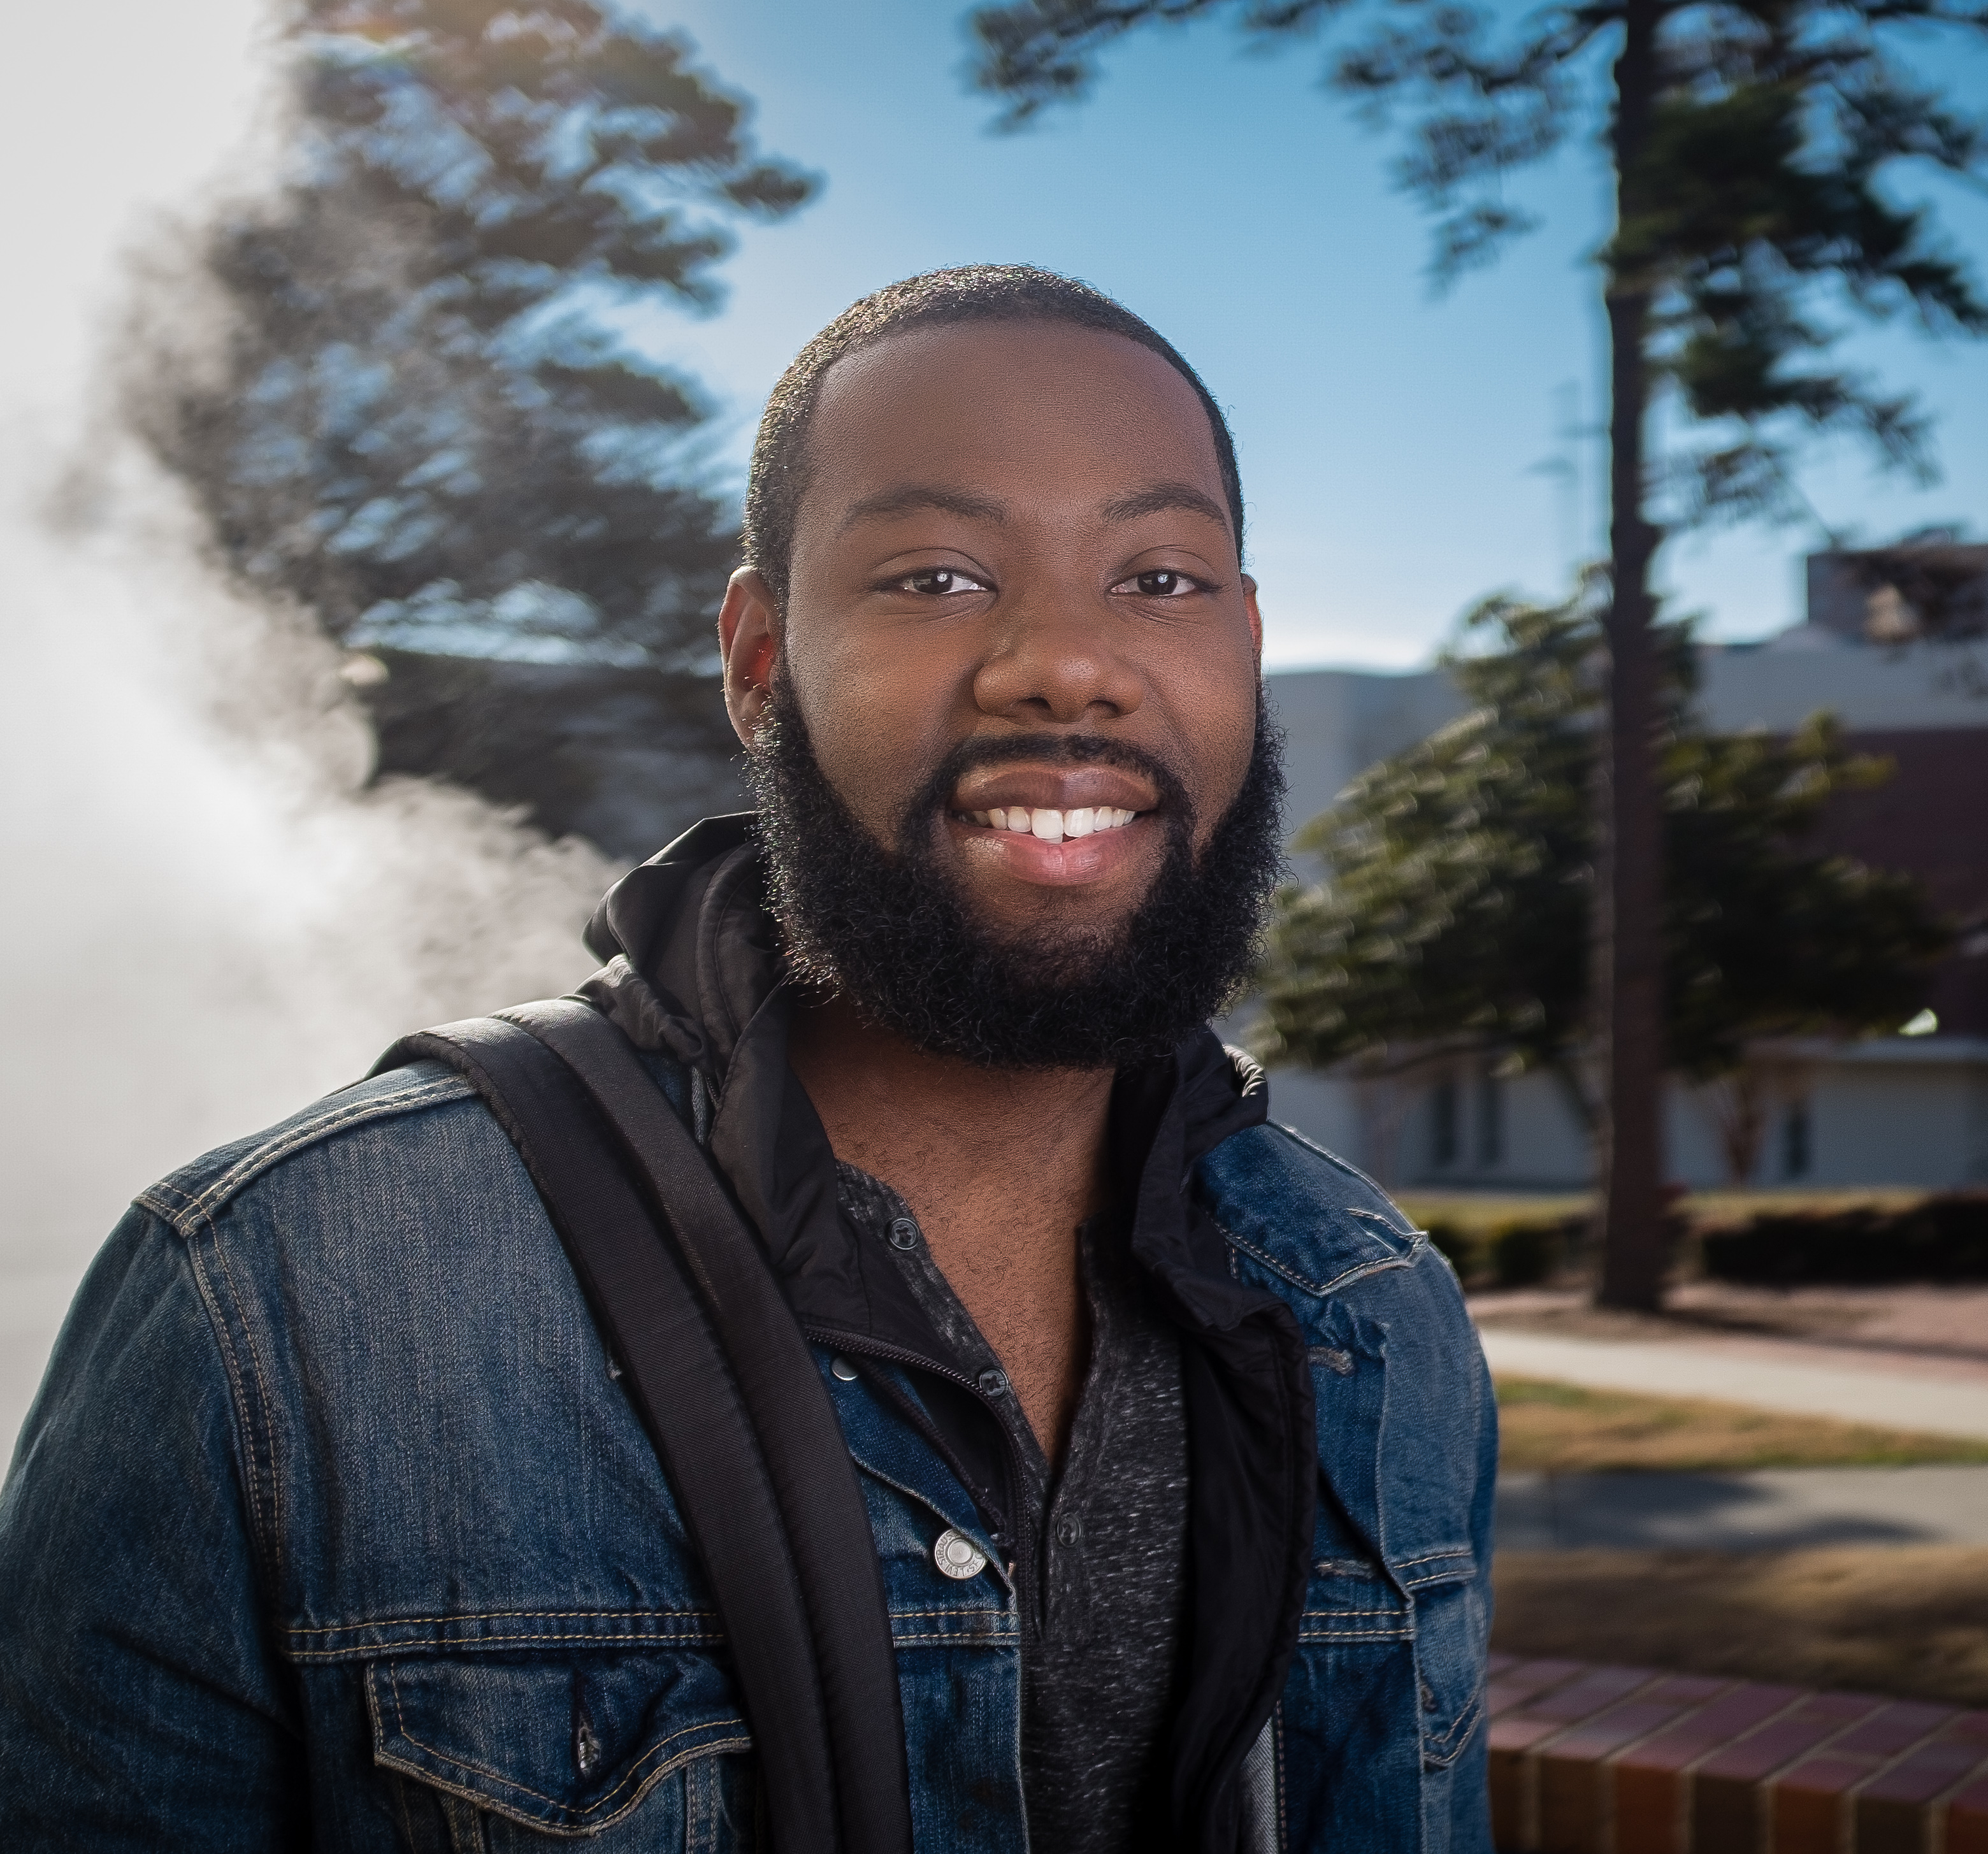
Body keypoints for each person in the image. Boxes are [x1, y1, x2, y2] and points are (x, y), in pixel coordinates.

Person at [0, 266, 1498, 1853]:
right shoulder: (272, 1298)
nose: (1069, 661)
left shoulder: (1378, 1311)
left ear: (1247, 647)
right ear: (758, 659)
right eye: (934, 575)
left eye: (1162, 577)